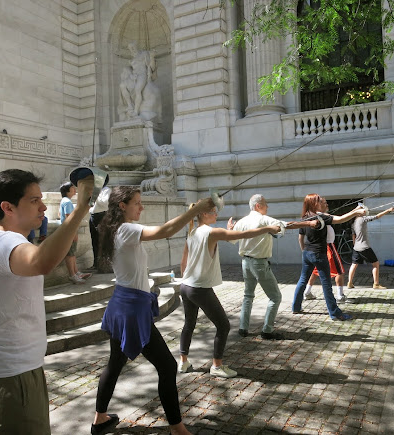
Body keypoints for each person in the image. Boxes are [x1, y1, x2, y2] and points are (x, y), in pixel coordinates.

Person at [91, 186, 215, 435]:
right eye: (137, 203)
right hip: (130, 310)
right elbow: (166, 231)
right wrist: (196, 211)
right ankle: (178, 429)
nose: (142, 207)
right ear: (122, 206)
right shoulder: (125, 229)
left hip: (124, 305)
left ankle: (99, 419)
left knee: (115, 363)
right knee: (167, 366)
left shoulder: (117, 229)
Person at [0, 169, 94, 434]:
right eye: (34, 201)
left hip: (19, 370)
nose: (43, 207)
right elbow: (41, 262)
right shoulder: (4, 241)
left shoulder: (6, 241)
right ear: (7, 207)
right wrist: (79, 210)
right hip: (12, 376)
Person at [178, 204, 280, 378]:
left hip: (186, 287)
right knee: (223, 325)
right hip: (199, 288)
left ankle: (183, 362)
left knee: (189, 324)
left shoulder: (193, 232)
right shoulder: (211, 232)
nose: (216, 214)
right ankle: (217, 366)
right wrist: (268, 228)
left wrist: (186, 280)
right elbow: (243, 235)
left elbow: (183, 262)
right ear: (204, 214)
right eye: (213, 212)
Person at [227, 194, 317, 340]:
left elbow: (230, 239)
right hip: (259, 263)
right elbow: (287, 225)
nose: (267, 206)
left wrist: (230, 229)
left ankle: (243, 328)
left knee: (248, 295)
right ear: (258, 206)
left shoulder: (242, 222)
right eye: (265, 204)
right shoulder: (263, 219)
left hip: (245, 263)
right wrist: (308, 223)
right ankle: (267, 330)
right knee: (275, 297)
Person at [291, 194, 365, 320]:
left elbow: (300, 238)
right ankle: (335, 313)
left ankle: (296, 307)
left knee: (303, 280)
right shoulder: (321, 217)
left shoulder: (304, 218)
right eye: (320, 201)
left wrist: (304, 251)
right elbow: (340, 219)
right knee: (326, 284)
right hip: (319, 254)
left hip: (307, 253)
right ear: (314, 204)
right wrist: (356, 213)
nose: (322, 203)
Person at [347, 206, 394, 290]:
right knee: (376, 264)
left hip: (356, 247)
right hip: (364, 247)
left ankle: (349, 283)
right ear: (359, 212)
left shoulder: (353, 222)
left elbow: (353, 237)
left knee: (354, 265)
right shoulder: (363, 219)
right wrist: (388, 210)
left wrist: (355, 246)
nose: (365, 211)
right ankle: (376, 284)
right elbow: (377, 216)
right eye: (363, 210)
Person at [59, 181, 91, 284]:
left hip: (67, 230)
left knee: (72, 252)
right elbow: (69, 218)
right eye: (72, 188)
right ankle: (73, 275)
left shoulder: (64, 201)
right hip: (69, 231)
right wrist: (73, 232)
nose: (75, 190)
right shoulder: (67, 202)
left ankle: (76, 273)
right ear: (67, 191)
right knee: (70, 253)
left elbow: (60, 215)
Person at [88, 186, 111, 271]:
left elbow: (105, 203)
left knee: (102, 241)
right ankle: (96, 264)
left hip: (102, 215)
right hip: (93, 215)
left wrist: (95, 196)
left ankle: (104, 265)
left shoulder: (106, 190)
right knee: (94, 241)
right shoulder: (93, 189)